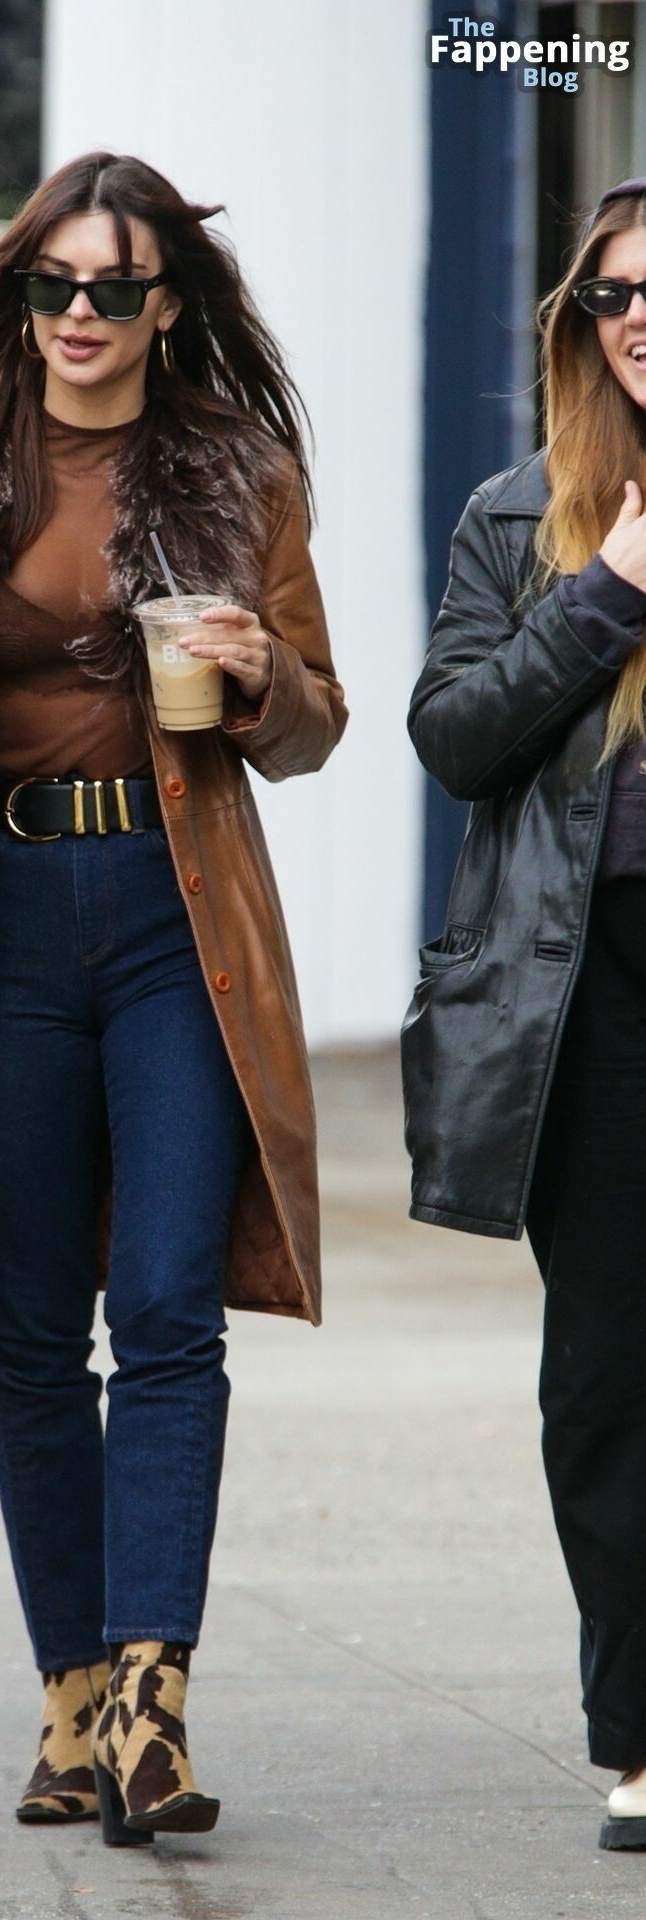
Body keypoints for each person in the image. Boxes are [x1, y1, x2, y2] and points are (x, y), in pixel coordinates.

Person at [0, 149, 345, 1846]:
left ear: (164, 303)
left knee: (173, 1307)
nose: (78, 313)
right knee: (36, 1325)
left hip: (173, 914)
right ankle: (68, 1698)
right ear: (18, 294)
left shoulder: (236, 472)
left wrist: (263, 679)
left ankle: (149, 1700)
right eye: (51, 283)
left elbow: (316, 718)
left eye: (113, 287)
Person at [403, 176, 646, 1854]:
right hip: (593, 992)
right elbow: (454, 737)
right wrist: (605, 587)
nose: (641, 321)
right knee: (609, 1379)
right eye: (617, 294)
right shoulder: (515, 515)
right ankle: (637, 1731)